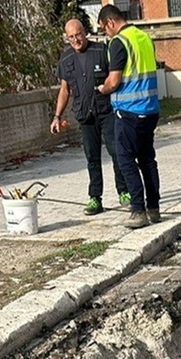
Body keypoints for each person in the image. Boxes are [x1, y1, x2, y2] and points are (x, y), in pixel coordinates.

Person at [51, 19, 130, 216]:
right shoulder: (65, 59)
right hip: (85, 116)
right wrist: (57, 116)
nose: (75, 39)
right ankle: (95, 198)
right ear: (67, 38)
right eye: (71, 37)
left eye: (78, 34)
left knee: (116, 152)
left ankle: (124, 192)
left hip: (106, 112)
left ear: (84, 32)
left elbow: (115, 78)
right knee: (92, 158)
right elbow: (64, 90)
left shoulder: (102, 51)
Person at [97, 4, 162, 229]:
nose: (106, 33)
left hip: (129, 111)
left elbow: (114, 81)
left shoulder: (119, 42)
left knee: (125, 160)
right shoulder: (144, 37)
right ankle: (154, 207)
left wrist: (102, 89)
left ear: (110, 22)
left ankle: (138, 210)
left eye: (104, 29)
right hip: (150, 109)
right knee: (147, 160)